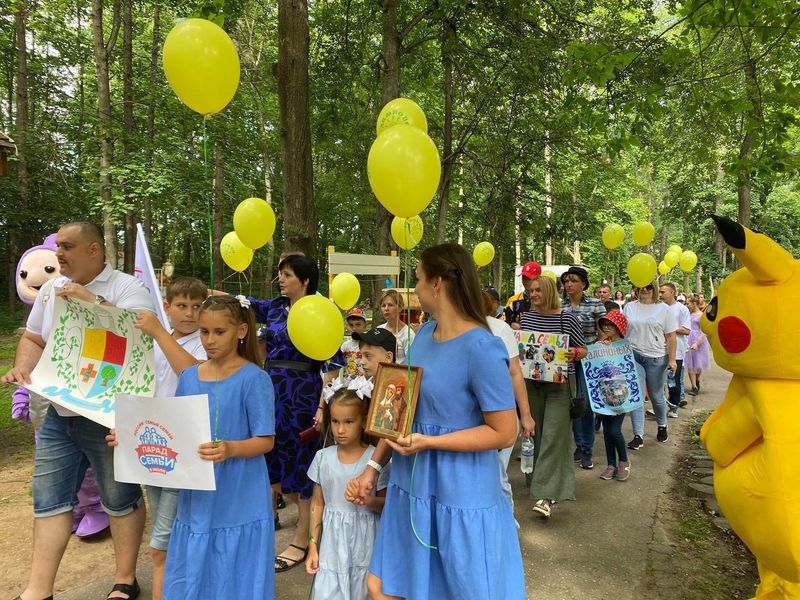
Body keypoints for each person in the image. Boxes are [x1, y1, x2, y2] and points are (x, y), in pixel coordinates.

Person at [346, 243, 524, 599]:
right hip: (413, 484)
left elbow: (506, 432)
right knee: (382, 586)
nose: (416, 288)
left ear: (437, 283)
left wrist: (430, 441)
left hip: (461, 489)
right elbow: (399, 410)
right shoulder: (424, 335)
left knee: (458, 588)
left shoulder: (482, 346)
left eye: (418, 279)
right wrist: (372, 468)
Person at [1, 221, 155, 600]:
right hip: (58, 412)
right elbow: (34, 338)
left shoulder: (127, 288)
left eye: (68, 247)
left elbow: (142, 337)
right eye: (59, 248)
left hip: (108, 416)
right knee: (49, 499)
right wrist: (24, 365)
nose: (59, 254)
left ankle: (124, 581)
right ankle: (38, 590)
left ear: (94, 250)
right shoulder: (51, 290)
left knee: (120, 499)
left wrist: (93, 301)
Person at [160, 295, 275, 598]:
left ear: (240, 331)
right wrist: (133, 439)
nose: (209, 340)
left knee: (234, 563)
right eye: (204, 332)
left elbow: (266, 440)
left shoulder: (254, 379)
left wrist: (230, 449)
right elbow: (175, 430)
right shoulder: (188, 377)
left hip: (239, 490)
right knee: (199, 556)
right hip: (199, 489)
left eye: (219, 332)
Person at [248, 254, 340, 572]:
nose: (281, 279)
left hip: (303, 396)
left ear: (305, 280)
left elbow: (333, 364)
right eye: (279, 274)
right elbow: (243, 303)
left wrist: (322, 406)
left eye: (286, 274)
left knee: (304, 466)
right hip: (270, 392)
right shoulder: (274, 307)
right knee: (270, 456)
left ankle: (302, 540)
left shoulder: (320, 310)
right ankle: (267, 520)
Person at [133, 277, 208, 600]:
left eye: (196, 307)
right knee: (169, 534)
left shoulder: (206, 342)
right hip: (151, 445)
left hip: (186, 448)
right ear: (167, 307)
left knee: (159, 546)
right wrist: (122, 428)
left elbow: (195, 376)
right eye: (181, 306)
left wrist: (160, 332)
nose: (189, 314)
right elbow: (137, 388)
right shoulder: (150, 343)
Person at [305, 389, 389, 600]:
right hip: (332, 546)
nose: (340, 429)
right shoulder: (322, 458)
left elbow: (387, 505)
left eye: (348, 422)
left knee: (362, 589)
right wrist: (313, 546)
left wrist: (368, 501)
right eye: (335, 421)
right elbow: (317, 503)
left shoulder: (376, 460)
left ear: (364, 421)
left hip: (366, 541)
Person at [520, 275, 586, 518]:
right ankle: (540, 483)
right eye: (531, 291)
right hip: (532, 385)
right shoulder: (527, 317)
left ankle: (546, 496)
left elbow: (584, 350)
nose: (533, 294)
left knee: (553, 436)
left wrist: (574, 353)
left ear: (548, 291)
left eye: (538, 290)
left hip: (560, 386)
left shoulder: (566, 317)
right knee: (535, 434)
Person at [482, 291, 535, 524]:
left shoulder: (500, 330)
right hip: (466, 417)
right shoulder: (446, 329)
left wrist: (526, 415)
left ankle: (507, 524)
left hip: (500, 413)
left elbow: (515, 374)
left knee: (497, 472)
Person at [561, 266, 606, 470]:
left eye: (573, 281)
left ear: (584, 284)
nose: (569, 284)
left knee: (586, 406)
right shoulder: (558, 305)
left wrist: (604, 344)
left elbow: (604, 331)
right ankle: (577, 445)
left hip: (589, 360)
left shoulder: (596, 304)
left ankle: (587, 448)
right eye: (566, 281)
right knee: (572, 405)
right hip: (564, 361)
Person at [623, 281, 678, 449]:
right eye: (641, 287)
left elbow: (671, 337)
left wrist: (672, 360)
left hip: (656, 358)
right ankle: (638, 435)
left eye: (648, 287)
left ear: (655, 289)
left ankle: (662, 425)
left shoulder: (664, 309)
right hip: (633, 355)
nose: (645, 290)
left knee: (655, 395)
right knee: (636, 396)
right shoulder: (629, 307)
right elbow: (622, 331)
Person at [595, 311, 632, 481]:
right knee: (607, 431)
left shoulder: (627, 347)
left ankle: (623, 461)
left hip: (621, 397)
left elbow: (631, 374)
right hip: (604, 397)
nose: (607, 328)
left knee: (615, 430)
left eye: (611, 325)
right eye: (604, 325)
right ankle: (611, 464)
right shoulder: (599, 346)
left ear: (619, 327)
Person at [659, 282, 691, 417]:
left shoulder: (682, 309)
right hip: (659, 349)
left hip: (676, 350)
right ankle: (659, 406)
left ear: (672, 293)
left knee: (673, 380)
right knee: (658, 380)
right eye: (659, 292)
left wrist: (670, 327)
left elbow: (686, 330)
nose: (660, 295)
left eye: (663, 292)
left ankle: (673, 407)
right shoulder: (658, 308)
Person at [377, 289, 415, 364]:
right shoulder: (379, 330)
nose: (386, 308)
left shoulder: (408, 334)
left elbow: (411, 363)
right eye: (383, 306)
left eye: (390, 305)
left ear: (400, 307)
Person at [683, 296, 710, 396]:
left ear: (694, 303)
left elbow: (704, 330)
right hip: (688, 339)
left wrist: (697, 342)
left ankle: (697, 379)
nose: (687, 305)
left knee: (698, 365)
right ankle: (694, 386)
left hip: (699, 340)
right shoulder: (688, 314)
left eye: (688, 303)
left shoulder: (702, 315)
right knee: (690, 364)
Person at [504, 261, 541, 329]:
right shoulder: (513, 300)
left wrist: (521, 328)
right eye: (524, 277)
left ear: (538, 278)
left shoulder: (544, 300)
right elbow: (504, 323)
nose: (525, 281)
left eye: (529, 278)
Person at [340, 308, 368, 382]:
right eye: (351, 325)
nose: (354, 328)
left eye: (358, 324)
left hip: (365, 383)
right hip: (348, 383)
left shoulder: (369, 344)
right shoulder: (345, 346)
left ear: (365, 325)